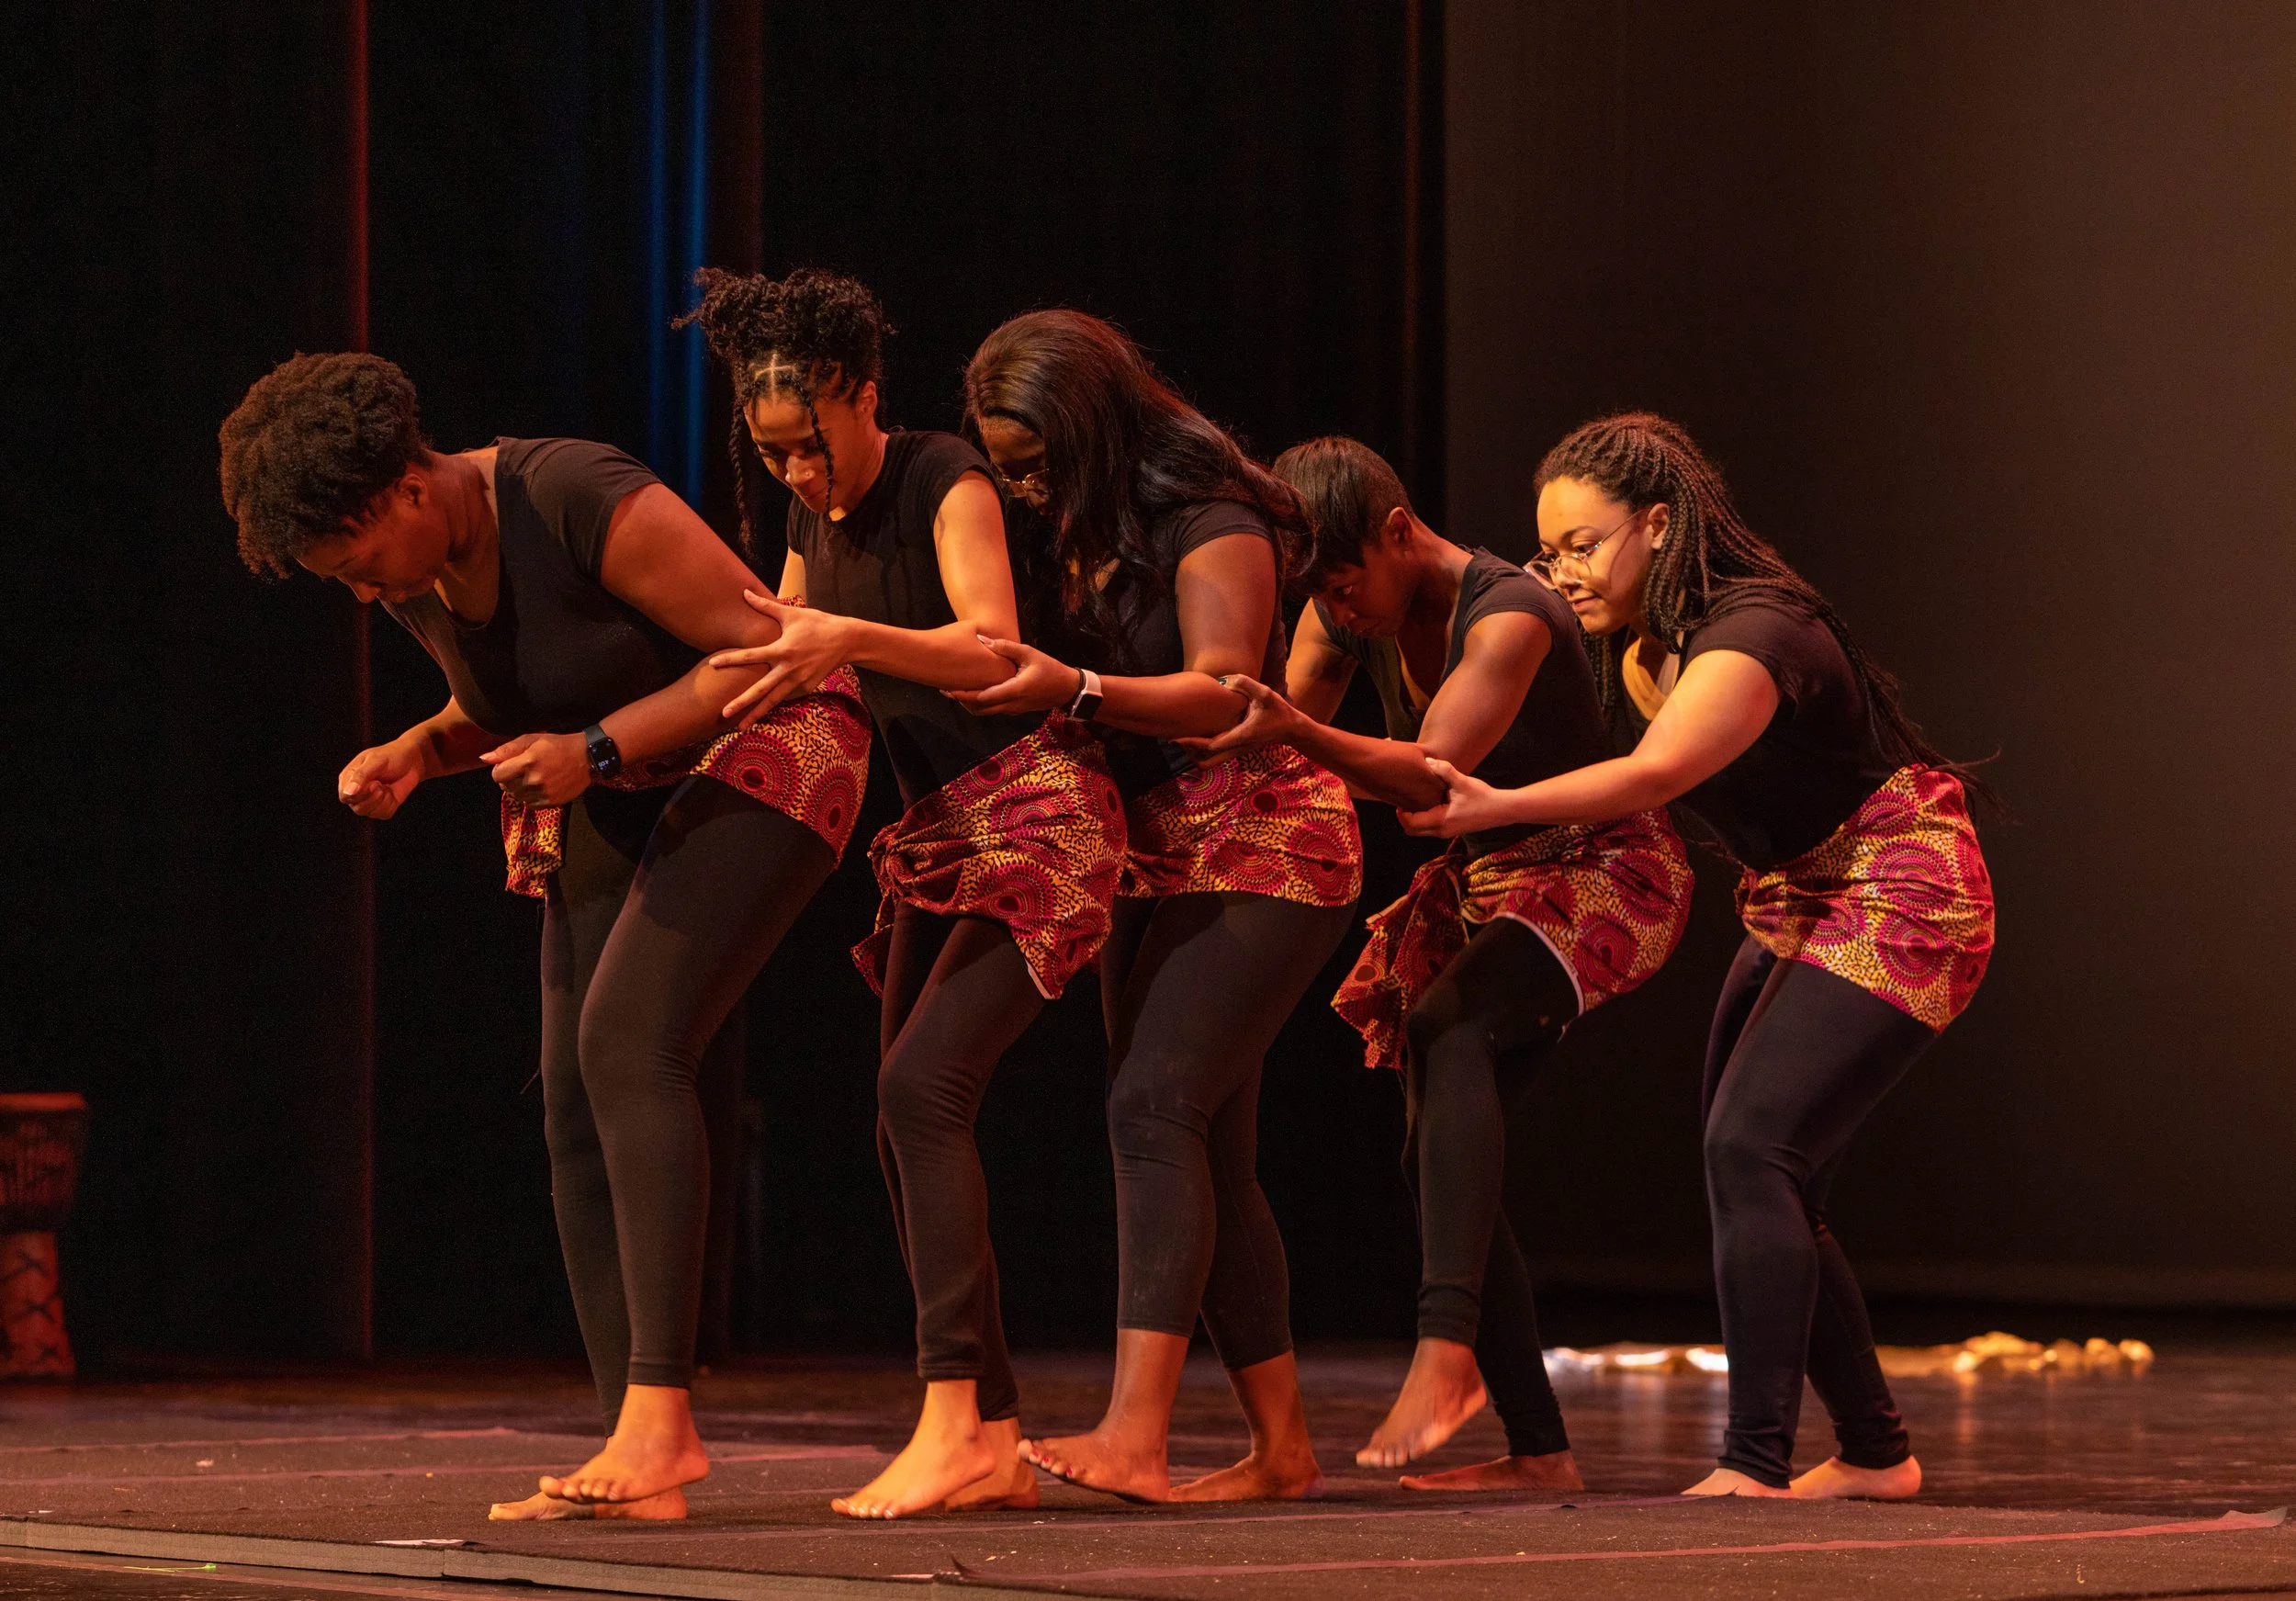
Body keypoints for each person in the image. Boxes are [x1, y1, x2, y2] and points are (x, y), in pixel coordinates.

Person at [218, 354, 874, 1521]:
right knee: (574, 1089)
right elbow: (515, 694)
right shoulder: (418, 573)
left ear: (406, 493)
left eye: (358, 566)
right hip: (621, 777)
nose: (365, 596)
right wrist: (422, 749)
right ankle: (637, 1445)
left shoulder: (575, 492)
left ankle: (663, 1420)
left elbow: (763, 651)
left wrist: (603, 748)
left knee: (629, 1046)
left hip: (777, 742)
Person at [1401, 412, 1995, 1500]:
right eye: (1548, 553)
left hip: (1902, 887)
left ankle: (1753, 1463)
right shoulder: (1643, 652)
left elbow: (1656, 773)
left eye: (1582, 545)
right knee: (1763, 1166)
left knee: (1749, 1151)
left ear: (1658, 527)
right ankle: (1873, 1452)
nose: (1561, 572)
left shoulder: (1752, 634)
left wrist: (1500, 804)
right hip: (1797, 899)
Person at [685, 270, 1127, 1520]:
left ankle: (954, 1415)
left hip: (1040, 811)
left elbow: (992, 648)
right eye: (768, 455)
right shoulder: (805, 523)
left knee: (920, 1087)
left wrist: (847, 640)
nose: (795, 475)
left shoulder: (947, 478)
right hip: (940, 835)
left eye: (807, 445)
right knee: (901, 1115)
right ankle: (983, 1425)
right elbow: (776, 651)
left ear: (862, 397)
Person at [1191, 435, 1691, 1490]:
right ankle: (1540, 1451)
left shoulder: (1511, 613)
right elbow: (1273, 734)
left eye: (1341, 582)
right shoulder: (1339, 616)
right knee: (1434, 1155)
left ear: (1397, 532)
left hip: (1606, 867)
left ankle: (1444, 1346)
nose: (1337, 609)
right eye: (1316, 594)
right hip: (1489, 889)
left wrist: (1289, 727)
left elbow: (1427, 774)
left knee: (1446, 1029)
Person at [944, 311, 1363, 1504]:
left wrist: (1078, 682)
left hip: (1266, 839)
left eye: (1032, 462)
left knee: (1152, 1105)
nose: (1020, 488)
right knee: (1206, 1146)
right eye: (1005, 466)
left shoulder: (1213, 520)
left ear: (1089, 432)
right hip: (1160, 851)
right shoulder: (1096, 525)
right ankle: (1282, 1448)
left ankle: (1138, 1431)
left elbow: (1228, 692)